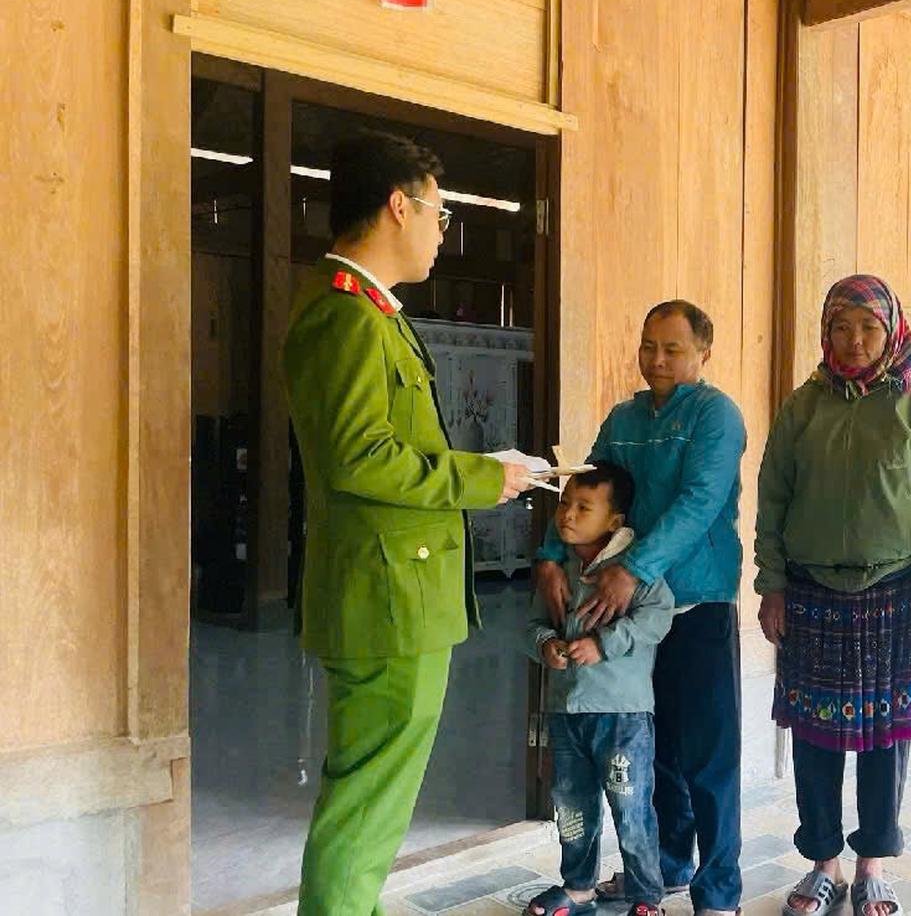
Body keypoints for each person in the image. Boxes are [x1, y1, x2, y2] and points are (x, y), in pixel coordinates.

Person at [282, 130, 538, 915]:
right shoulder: (347, 318)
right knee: (366, 799)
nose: (441, 231)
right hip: (385, 597)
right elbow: (358, 458)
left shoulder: (372, 314)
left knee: (377, 794)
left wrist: (481, 469)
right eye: (439, 212)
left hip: (398, 591)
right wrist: (481, 478)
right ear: (400, 206)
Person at [754, 274, 911, 916]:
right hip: (812, 595)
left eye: (868, 328)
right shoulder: (802, 407)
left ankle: (873, 864)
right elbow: (773, 501)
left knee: (886, 740)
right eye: (841, 328)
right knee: (814, 738)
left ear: (890, 332)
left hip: (896, 596)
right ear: (826, 333)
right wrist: (772, 585)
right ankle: (824, 863)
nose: (854, 340)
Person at [532, 300, 746, 916]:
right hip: (618, 608)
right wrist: (550, 554)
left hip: (695, 600)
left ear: (703, 352)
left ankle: (719, 891)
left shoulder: (715, 415)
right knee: (655, 751)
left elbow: (701, 500)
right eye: (649, 345)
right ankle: (666, 868)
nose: (657, 359)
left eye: (672, 349)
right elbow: (586, 487)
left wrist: (635, 569)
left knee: (707, 754)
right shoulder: (624, 417)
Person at [524, 462, 674, 916]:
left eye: (583, 507)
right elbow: (532, 624)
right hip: (566, 715)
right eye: (565, 504)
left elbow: (657, 618)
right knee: (572, 808)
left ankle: (646, 897)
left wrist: (603, 644)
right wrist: (546, 645)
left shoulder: (632, 572)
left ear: (614, 521)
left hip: (622, 717)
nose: (567, 515)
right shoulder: (557, 572)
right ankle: (578, 887)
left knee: (631, 810)